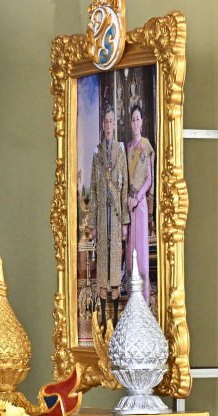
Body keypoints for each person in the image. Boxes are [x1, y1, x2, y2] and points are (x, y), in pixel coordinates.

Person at [87, 104, 129, 315]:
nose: (109, 125)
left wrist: (124, 223)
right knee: (102, 264)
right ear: (102, 126)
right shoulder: (98, 153)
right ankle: (104, 317)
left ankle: (115, 316)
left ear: (115, 124)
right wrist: (92, 224)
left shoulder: (120, 151)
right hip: (103, 216)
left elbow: (124, 187)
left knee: (115, 264)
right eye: (106, 122)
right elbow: (93, 189)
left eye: (112, 121)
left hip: (117, 215)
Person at [126, 104, 154, 304]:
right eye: (133, 119)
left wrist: (138, 197)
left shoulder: (147, 146)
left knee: (142, 252)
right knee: (130, 251)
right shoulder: (127, 148)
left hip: (141, 205)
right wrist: (128, 199)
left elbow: (149, 179)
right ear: (131, 123)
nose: (136, 123)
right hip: (129, 206)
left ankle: (143, 300)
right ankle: (132, 300)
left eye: (138, 119)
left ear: (142, 122)